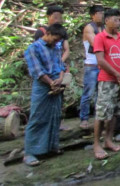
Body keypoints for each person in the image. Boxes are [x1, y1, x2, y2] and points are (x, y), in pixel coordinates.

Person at [23, 23, 67, 166]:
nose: (57, 42)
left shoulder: (56, 47)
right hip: (43, 86)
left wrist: (60, 79)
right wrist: (50, 82)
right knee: (37, 117)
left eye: (59, 40)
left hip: (56, 84)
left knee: (54, 116)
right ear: (47, 33)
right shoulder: (33, 48)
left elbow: (61, 65)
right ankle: (29, 152)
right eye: (55, 39)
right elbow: (37, 70)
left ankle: (50, 147)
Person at [93, 8, 120, 160]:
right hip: (107, 80)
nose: (118, 23)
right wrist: (117, 74)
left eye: (119, 20)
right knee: (102, 113)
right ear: (106, 20)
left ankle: (109, 139)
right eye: (115, 20)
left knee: (115, 111)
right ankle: (96, 144)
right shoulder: (100, 37)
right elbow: (100, 60)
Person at [79, 5, 104, 129]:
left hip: (102, 64)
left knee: (100, 93)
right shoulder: (89, 28)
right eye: (98, 13)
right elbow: (96, 44)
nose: (101, 16)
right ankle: (84, 118)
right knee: (88, 93)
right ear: (93, 15)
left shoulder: (103, 28)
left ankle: (98, 118)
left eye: (102, 13)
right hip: (92, 64)